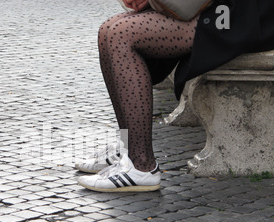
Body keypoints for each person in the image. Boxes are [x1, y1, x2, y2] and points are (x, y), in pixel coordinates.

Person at [76, 0, 274, 192]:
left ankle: (141, 165)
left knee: (120, 35)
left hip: (242, 16)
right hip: (220, 8)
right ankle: (130, 146)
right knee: (108, 31)